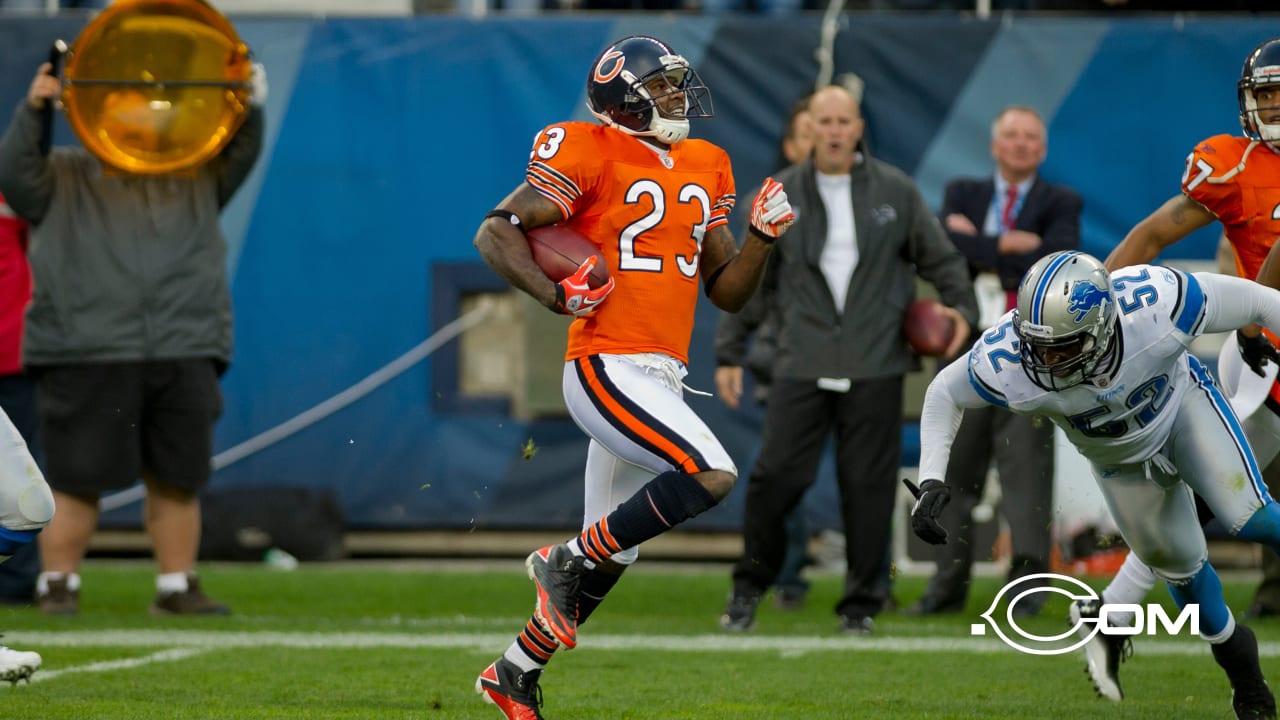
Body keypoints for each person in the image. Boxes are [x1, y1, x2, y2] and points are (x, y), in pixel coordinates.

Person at [471, 35, 795, 719]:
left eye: (680, 84)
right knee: (711, 472)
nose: (681, 97)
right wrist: (555, 296)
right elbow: (496, 231)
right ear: (626, 99)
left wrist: (762, 239)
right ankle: (559, 559)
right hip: (605, 362)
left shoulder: (707, 162)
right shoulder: (583, 147)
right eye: (667, 87)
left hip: (662, 372)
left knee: (619, 552)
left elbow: (727, 291)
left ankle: (515, 671)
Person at [908, 250, 1280, 719]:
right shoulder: (1009, 358)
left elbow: (1261, 301)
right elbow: (943, 391)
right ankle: (1243, 673)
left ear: (1104, 326)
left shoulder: (1156, 302)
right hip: (1118, 463)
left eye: (1062, 347)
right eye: (1038, 344)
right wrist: (930, 478)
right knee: (1183, 573)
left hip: (1183, 412)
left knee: (1249, 515)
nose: (1045, 359)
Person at [0, 58, 265, 615]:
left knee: (177, 477)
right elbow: (15, 173)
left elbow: (239, 155)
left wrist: (252, 106)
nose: (142, 110)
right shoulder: (62, 173)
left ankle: (176, 587)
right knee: (75, 478)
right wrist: (34, 108)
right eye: (126, 99)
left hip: (183, 341)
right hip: (86, 345)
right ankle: (58, 584)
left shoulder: (194, 170)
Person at [719, 83, 977, 636]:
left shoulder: (896, 190)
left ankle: (861, 603)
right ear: (809, 129)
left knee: (868, 488)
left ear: (859, 128)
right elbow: (750, 280)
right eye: (824, 121)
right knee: (775, 481)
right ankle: (747, 591)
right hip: (800, 360)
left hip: (875, 362)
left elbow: (943, 259)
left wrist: (960, 310)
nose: (834, 131)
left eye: (844, 121)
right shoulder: (778, 193)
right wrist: (727, 352)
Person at [1098, 36, 1280, 631]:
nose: (1276, 106)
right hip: (1268, 354)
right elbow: (1149, 239)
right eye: (1268, 94)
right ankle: (1119, 610)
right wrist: (1093, 301)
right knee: (1206, 489)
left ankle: (1117, 610)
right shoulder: (1232, 165)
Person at [906, 106, 1081, 618]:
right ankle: (946, 584)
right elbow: (944, 248)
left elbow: (1055, 260)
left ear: (1042, 150)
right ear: (994, 145)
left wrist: (980, 246)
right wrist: (1007, 246)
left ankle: (1026, 589)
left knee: (1026, 475)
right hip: (968, 351)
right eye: (1012, 135)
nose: (1021, 144)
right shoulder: (963, 191)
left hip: (1032, 355)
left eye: (1030, 137)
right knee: (955, 472)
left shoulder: (1061, 200)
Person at [715, 94, 816, 611]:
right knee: (781, 472)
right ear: (791, 142)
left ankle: (872, 586)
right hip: (788, 358)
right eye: (808, 131)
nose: (819, 141)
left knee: (864, 475)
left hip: (861, 360)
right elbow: (742, 284)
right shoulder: (769, 199)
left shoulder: (872, 195)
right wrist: (730, 351)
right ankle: (788, 576)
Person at [0, 190, 40, 605]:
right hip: (13, 352)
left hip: (11, 356)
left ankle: (14, 582)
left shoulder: (13, 193)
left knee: (21, 483)